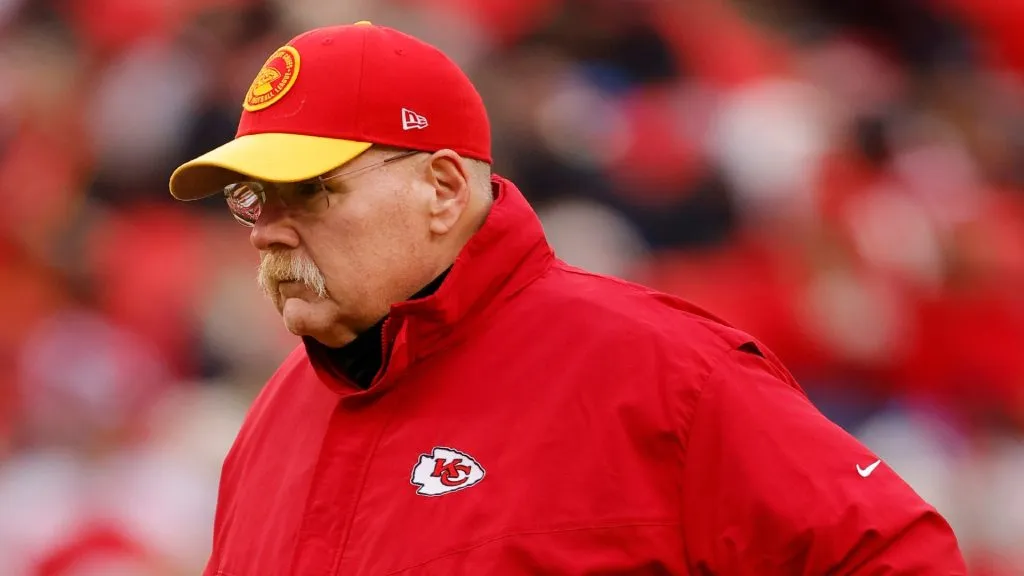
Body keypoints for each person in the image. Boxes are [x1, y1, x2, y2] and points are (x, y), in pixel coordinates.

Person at [169, 22, 967, 576]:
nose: (265, 232)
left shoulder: (656, 371)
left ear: (443, 189)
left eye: (306, 192)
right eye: (249, 198)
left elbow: (891, 555)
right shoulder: (270, 426)